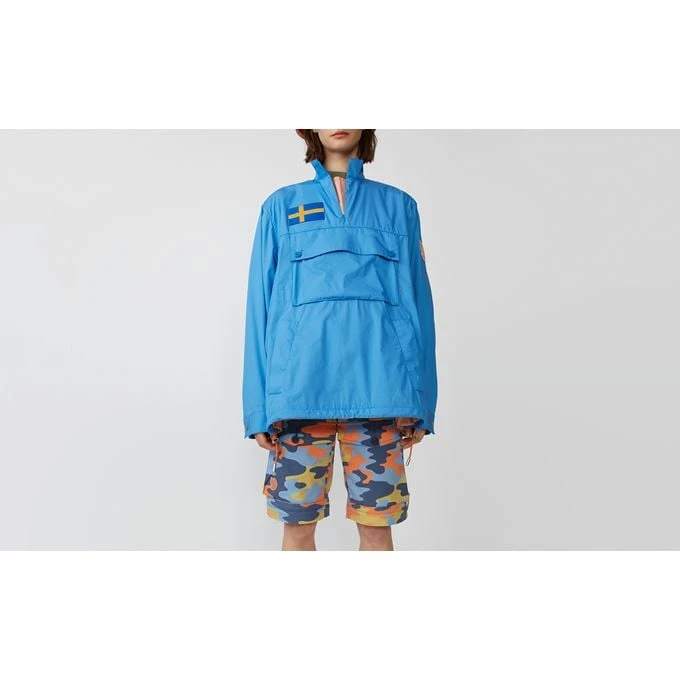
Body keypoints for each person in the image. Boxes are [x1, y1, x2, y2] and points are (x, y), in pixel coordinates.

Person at [242, 129, 437, 550]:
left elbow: (419, 305)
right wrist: (257, 408)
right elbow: (260, 306)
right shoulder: (281, 206)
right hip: (298, 394)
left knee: (376, 532)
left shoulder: (399, 207)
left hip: (381, 391)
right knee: (297, 531)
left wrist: (423, 401)